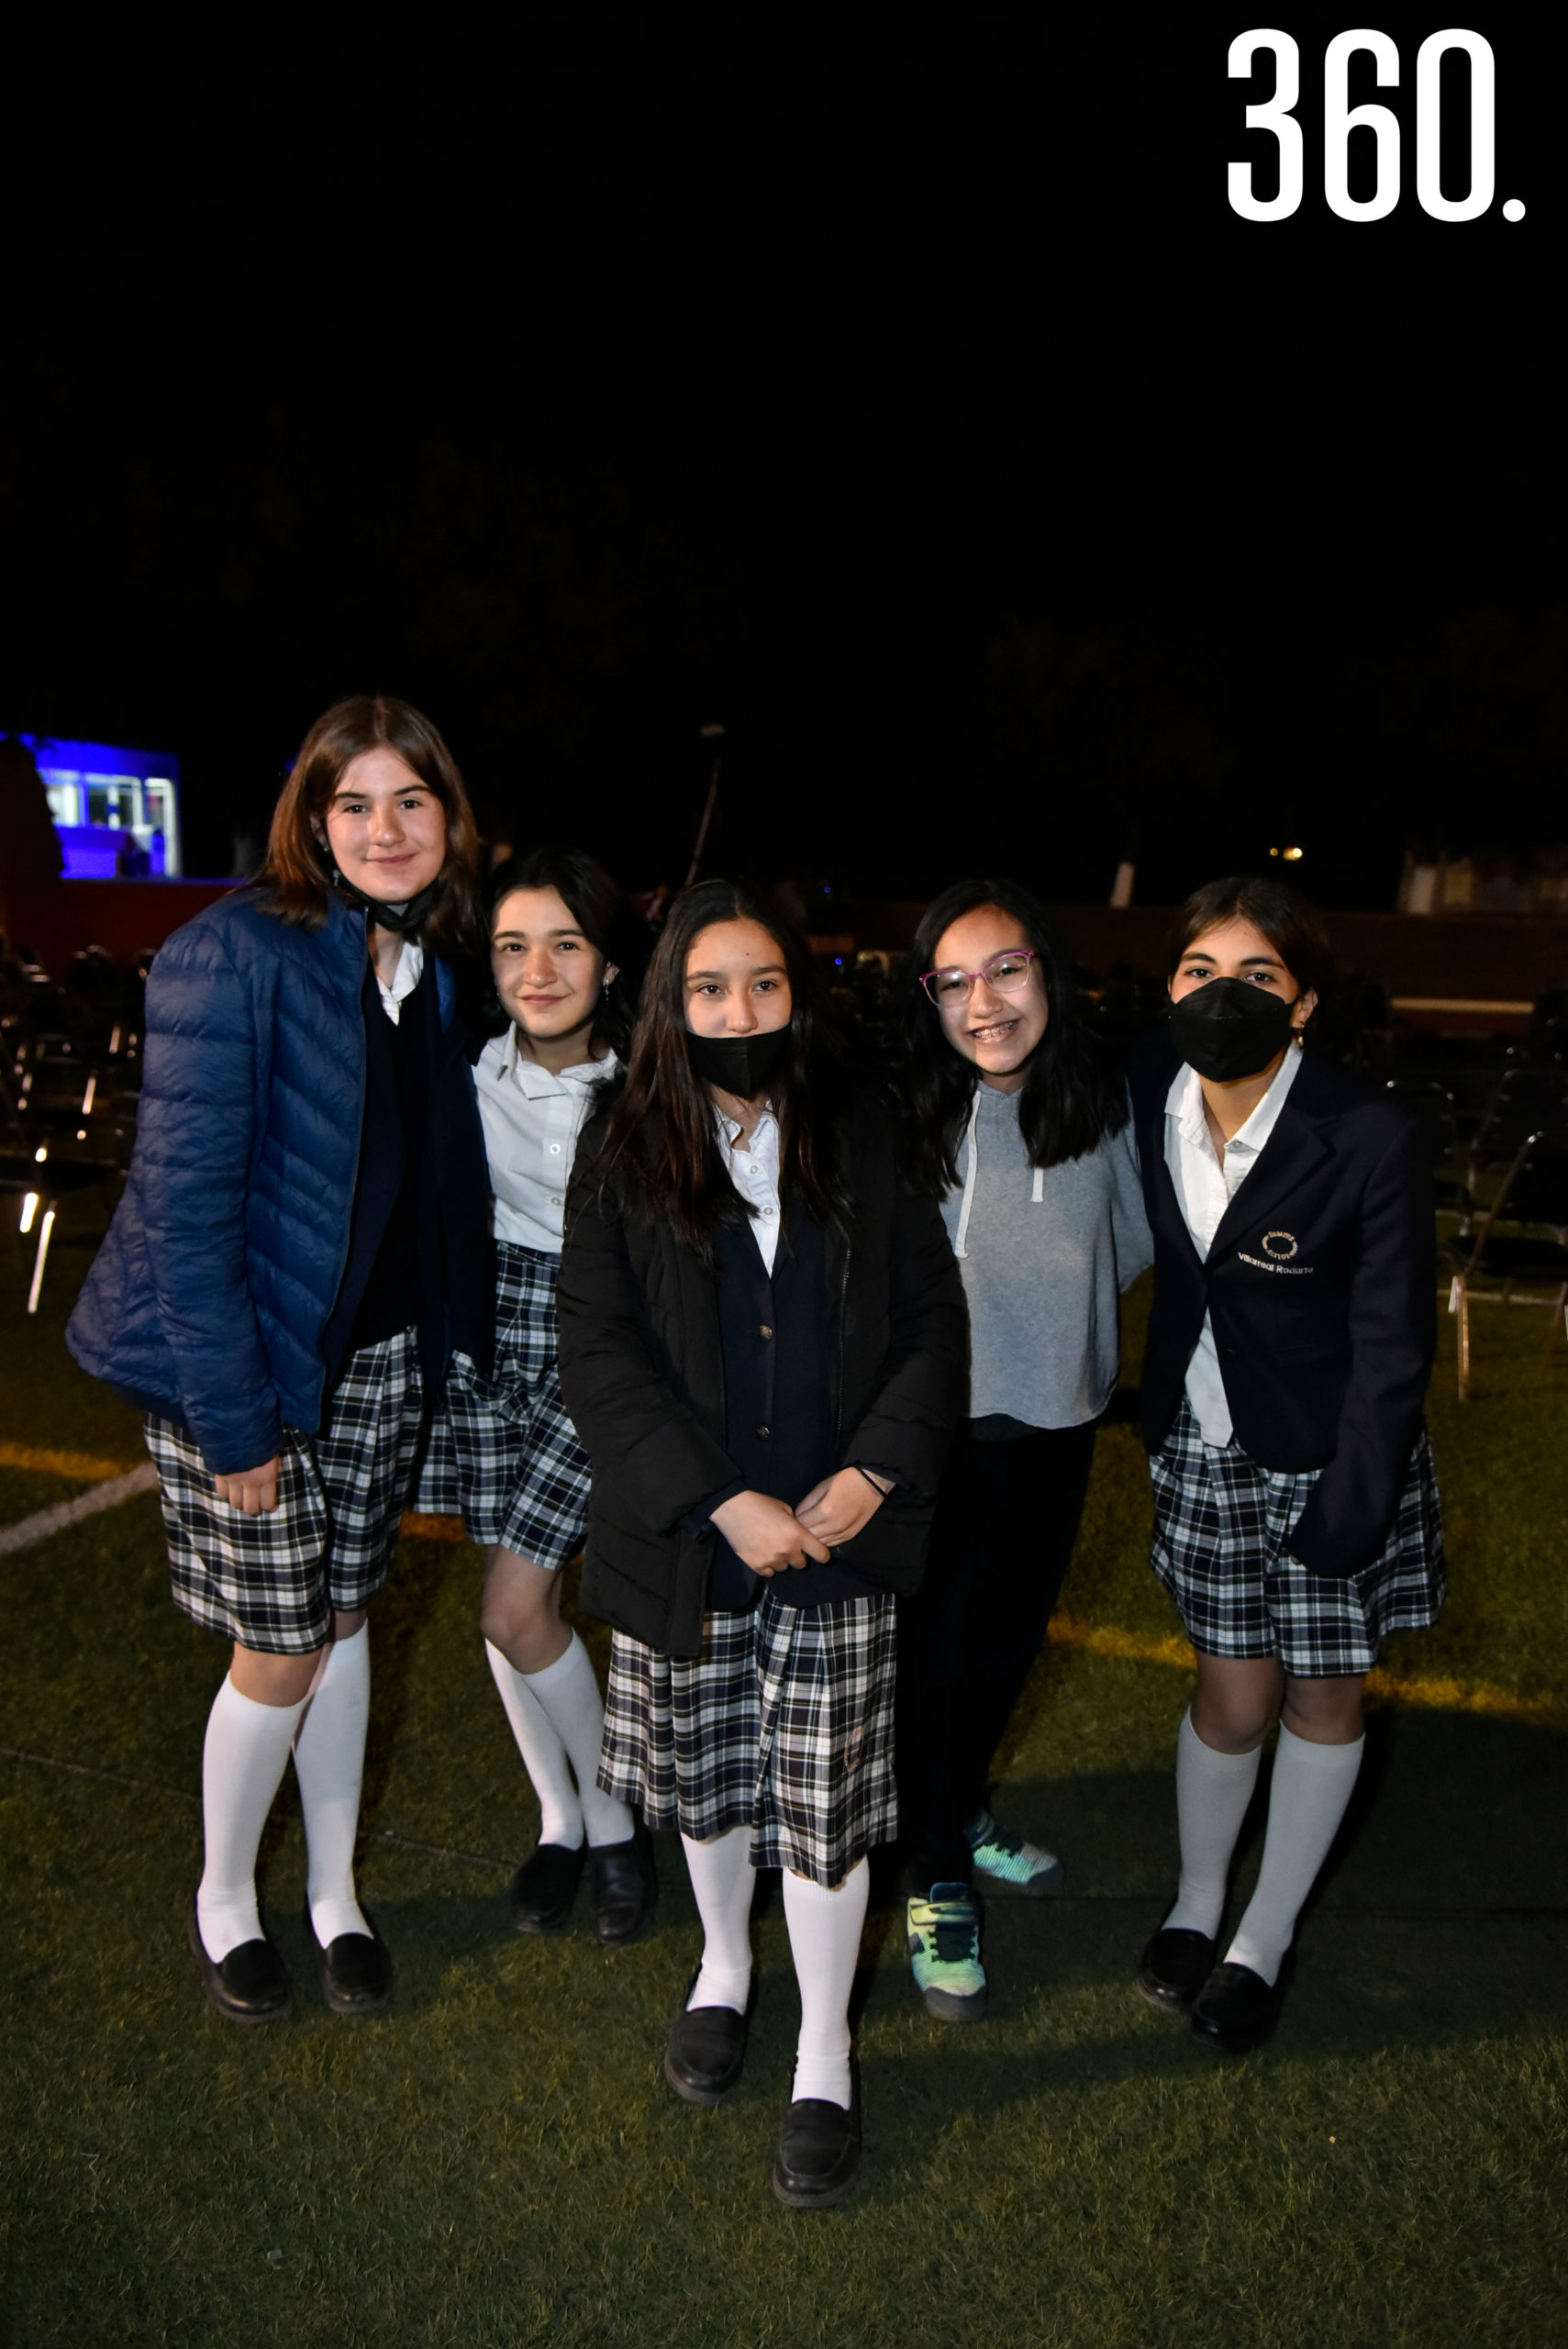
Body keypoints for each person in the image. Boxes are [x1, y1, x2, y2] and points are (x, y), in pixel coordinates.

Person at [66, 696, 492, 2023]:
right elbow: (185, 1216)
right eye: (354, 803)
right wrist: (236, 1423)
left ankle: (335, 1891)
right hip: (239, 1367)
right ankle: (226, 1896)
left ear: (446, 818)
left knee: (348, 1615)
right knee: (281, 1642)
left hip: (370, 1362)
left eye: (410, 802)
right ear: (311, 819)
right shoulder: (227, 951)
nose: (384, 828)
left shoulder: (431, 966)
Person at [556, 879, 965, 2209]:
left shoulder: (863, 1129)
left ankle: (825, 2052)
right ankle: (723, 1966)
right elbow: (599, 1350)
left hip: (842, 1537)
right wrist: (717, 1497)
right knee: (714, 1779)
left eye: (766, 986)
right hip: (696, 1542)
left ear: (799, 995)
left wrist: (872, 1471)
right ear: (671, 1005)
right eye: (712, 990)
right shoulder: (619, 1145)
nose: (741, 1013)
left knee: (830, 1804)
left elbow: (929, 1321)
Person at [1129, 875, 1443, 2053]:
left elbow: (1391, 1339)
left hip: (1327, 1460)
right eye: (1200, 972)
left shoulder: (1368, 1130)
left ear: (1302, 1004)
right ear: (1168, 987)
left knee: (1318, 1694)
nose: (1224, 997)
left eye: (1258, 976)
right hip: (1203, 1445)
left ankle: (1263, 1932)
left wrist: (1353, 1504)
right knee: (1228, 1689)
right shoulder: (1145, 1092)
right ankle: (1197, 1900)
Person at [892, 877, 1151, 2021]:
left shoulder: (1113, 1101)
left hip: (1057, 1423)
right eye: (953, 981)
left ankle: (957, 1808)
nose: (983, 1001)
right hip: (929, 1437)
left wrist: (1071, 1331)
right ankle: (933, 1869)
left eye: (1004, 969)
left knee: (1004, 1652)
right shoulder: (904, 1109)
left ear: (1047, 968)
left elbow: (1143, 1241)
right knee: (929, 1665)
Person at [418, 847, 657, 1944]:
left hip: (598, 1341)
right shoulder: (462, 1072)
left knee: (511, 1606)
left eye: (566, 942)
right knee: (512, 1609)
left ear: (607, 961)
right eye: (515, 945)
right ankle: (558, 1816)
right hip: (487, 1332)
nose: (539, 968)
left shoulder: (658, 1087)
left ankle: (615, 1820)